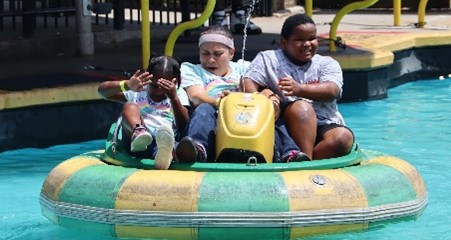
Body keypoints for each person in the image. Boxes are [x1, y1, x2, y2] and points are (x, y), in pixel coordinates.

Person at [176, 25, 309, 163]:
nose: (210, 59)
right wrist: (222, 102)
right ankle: (197, 148)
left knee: (267, 110)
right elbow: (197, 97)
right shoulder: (191, 69)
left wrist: (271, 98)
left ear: (231, 53)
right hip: (214, 119)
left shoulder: (244, 67)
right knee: (203, 108)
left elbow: (263, 87)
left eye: (217, 54)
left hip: (247, 117)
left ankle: (289, 153)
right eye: (205, 53)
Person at [243, 13, 355, 160]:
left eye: (311, 38)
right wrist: (262, 96)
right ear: (284, 43)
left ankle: (305, 159)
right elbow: (247, 82)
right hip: (286, 125)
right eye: (299, 40)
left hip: (323, 122)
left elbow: (333, 90)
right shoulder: (268, 59)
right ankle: (302, 161)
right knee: (302, 109)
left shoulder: (326, 63)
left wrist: (299, 89)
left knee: (343, 139)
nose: (307, 44)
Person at [97, 55, 190, 169]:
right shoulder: (139, 89)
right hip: (137, 143)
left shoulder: (178, 94)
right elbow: (102, 91)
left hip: (164, 141)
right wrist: (126, 85)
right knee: (130, 106)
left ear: (174, 82)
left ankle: (163, 155)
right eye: (154, 85)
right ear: (148, 76)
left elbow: (184, 125)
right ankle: (139, 132)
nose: (159, 91)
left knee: (167, 143)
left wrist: (173, 98)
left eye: (164, 87)